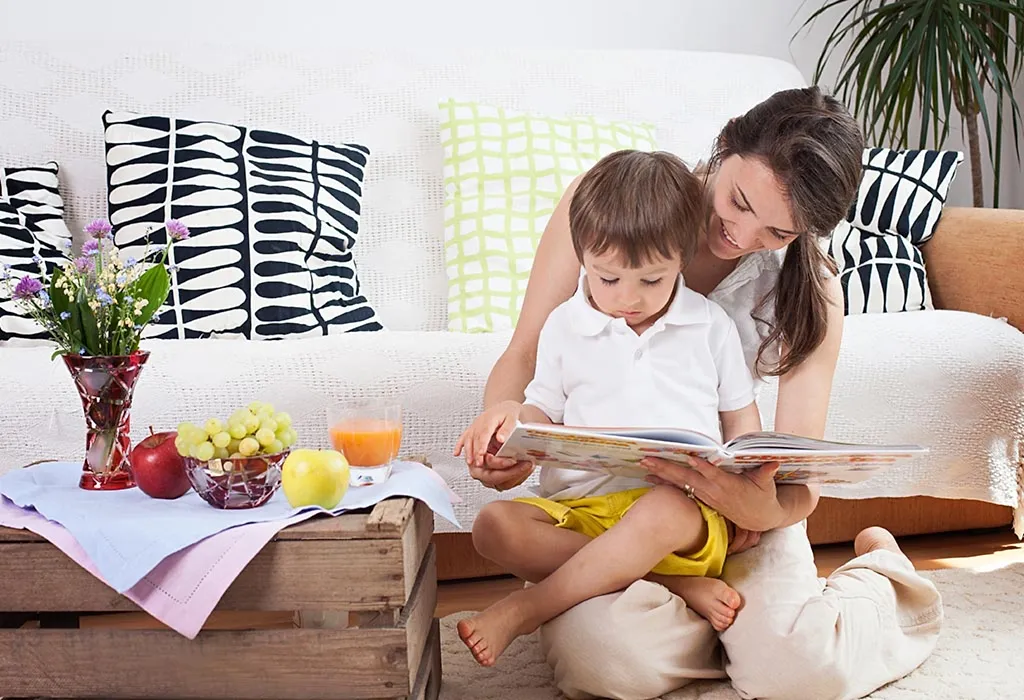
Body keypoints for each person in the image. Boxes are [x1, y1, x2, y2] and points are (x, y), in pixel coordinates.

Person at [461, 86, 943, 700]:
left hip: (729, 517)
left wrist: (757, 510)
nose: (742, 235)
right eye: (738, 202)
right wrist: (501, 431)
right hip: (595, 513)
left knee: (806, 674)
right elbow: (527, 352)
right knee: (609, 666)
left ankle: (881, 580)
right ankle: (711, 614)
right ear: (725, 144)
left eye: (777, 231)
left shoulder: (811, 290)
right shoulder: (615, 206)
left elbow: (799, 481)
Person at [455, 150, 763, 667]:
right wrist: (511, 427)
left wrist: (749, 485)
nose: (629, 297)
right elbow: (541, 413)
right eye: (608, 278)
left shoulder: (710, 326)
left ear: (682, 260)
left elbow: (741, 422)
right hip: (584, 512)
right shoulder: (563, 326)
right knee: (492, 526)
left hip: (679, 515)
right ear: (583, 257)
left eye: (652, 280)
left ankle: (529, 606)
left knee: (661, 510)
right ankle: (674, 584)